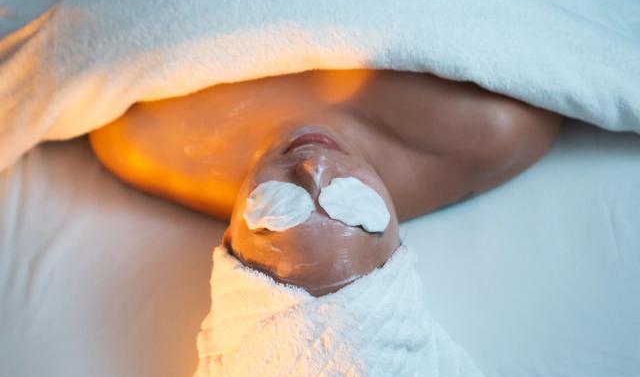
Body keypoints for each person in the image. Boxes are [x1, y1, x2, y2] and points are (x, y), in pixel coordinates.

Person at [90, 69, 562, 296]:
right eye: (349, 204)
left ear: (231, 234)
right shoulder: (492, 130)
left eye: (282, 208)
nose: (312, 170)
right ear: (396, 232)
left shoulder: (147, 141)